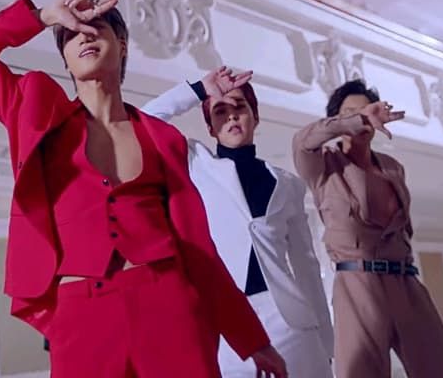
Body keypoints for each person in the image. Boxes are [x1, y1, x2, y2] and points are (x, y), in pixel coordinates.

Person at [0, 0, 287, 378]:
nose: (84, 35)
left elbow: (198, 249)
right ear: (64, 59)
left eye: (96, 26)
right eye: (71, 32)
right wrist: (43, 16)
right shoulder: (36, 114)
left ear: (122, 45)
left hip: (170, 306)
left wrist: (253, 340)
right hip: (81, 315)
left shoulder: (163, 138)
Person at [142, 68, 333, 378]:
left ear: (255, 116)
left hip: (293, 325)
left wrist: (327, 344)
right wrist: (199, 90)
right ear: (210, 127)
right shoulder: (194, 164)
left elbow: (307, 267)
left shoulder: (288, 185)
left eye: (240, 107)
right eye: (220, 111)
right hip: (226, 323)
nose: (231, 116)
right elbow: (144, 122)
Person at [292, 79, 443, 378]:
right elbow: (302, 141)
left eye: (369, 110)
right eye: (352, 113)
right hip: (357, 281)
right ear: (337, 120)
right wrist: (356, 120)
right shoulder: (324, 166)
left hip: (405, 279)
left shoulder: (392, 167)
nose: (364, 117)